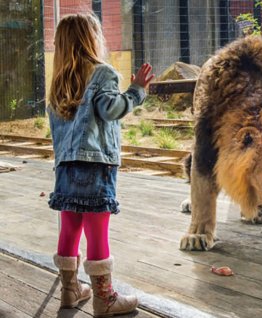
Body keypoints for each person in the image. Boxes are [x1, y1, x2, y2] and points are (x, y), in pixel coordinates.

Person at [48, 13, 154, 317]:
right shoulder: (103, 73)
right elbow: (111, 109)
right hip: (95, 167)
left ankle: (69, 291)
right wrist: (136, 90)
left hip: (66, 167)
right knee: (97, 230)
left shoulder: (58, 83)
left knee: (70, 227)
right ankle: (104, 299)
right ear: (90, 40)